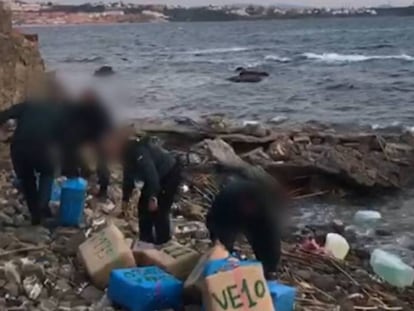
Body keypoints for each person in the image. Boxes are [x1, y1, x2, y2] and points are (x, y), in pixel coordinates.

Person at [0, 92, 112, 225]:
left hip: (19, 149)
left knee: (27, 180)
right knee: (47, 173)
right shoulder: (59, 113)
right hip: (41, 148)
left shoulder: (29, 104)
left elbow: (4, 116)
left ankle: (35, 214)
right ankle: (42, 207)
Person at [206, 166, 285, 279]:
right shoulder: (227, 199)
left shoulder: (264, 206)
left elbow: (271, 238)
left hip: (256, 216)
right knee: (222, 248)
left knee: (267, 249)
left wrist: (270, 266)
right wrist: (222, 251)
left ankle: (267, 273)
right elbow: (215, 226)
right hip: (228, 216)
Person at [120, 134, 182, 245]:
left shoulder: (140, 153)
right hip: (155, 178)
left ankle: (162, 243)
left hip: (169, 174)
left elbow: (152, 176)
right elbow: (128, 178)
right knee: (143, 209)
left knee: (160, 211)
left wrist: (153, 198)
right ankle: (145, 241)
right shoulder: (127, 157)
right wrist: (125, 198)